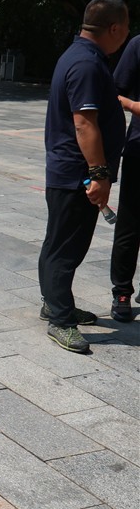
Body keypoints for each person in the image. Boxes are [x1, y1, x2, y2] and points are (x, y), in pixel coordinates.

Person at [39, 0, 130, 352]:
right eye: (126, 27)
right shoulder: (87, 64)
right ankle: (61, 320)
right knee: (65, 248)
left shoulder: (79, 55)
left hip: (70, 171)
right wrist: (100, 174)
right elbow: (84, 123)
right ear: (114, 28)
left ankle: (55, 303)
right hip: (77, 173)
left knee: (59, 242)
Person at [111, 34, 140, 322]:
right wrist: (134, 106)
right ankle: (122, 291)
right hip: (139, 150)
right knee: (130, 225)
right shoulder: (138, 45)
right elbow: (114, 93)